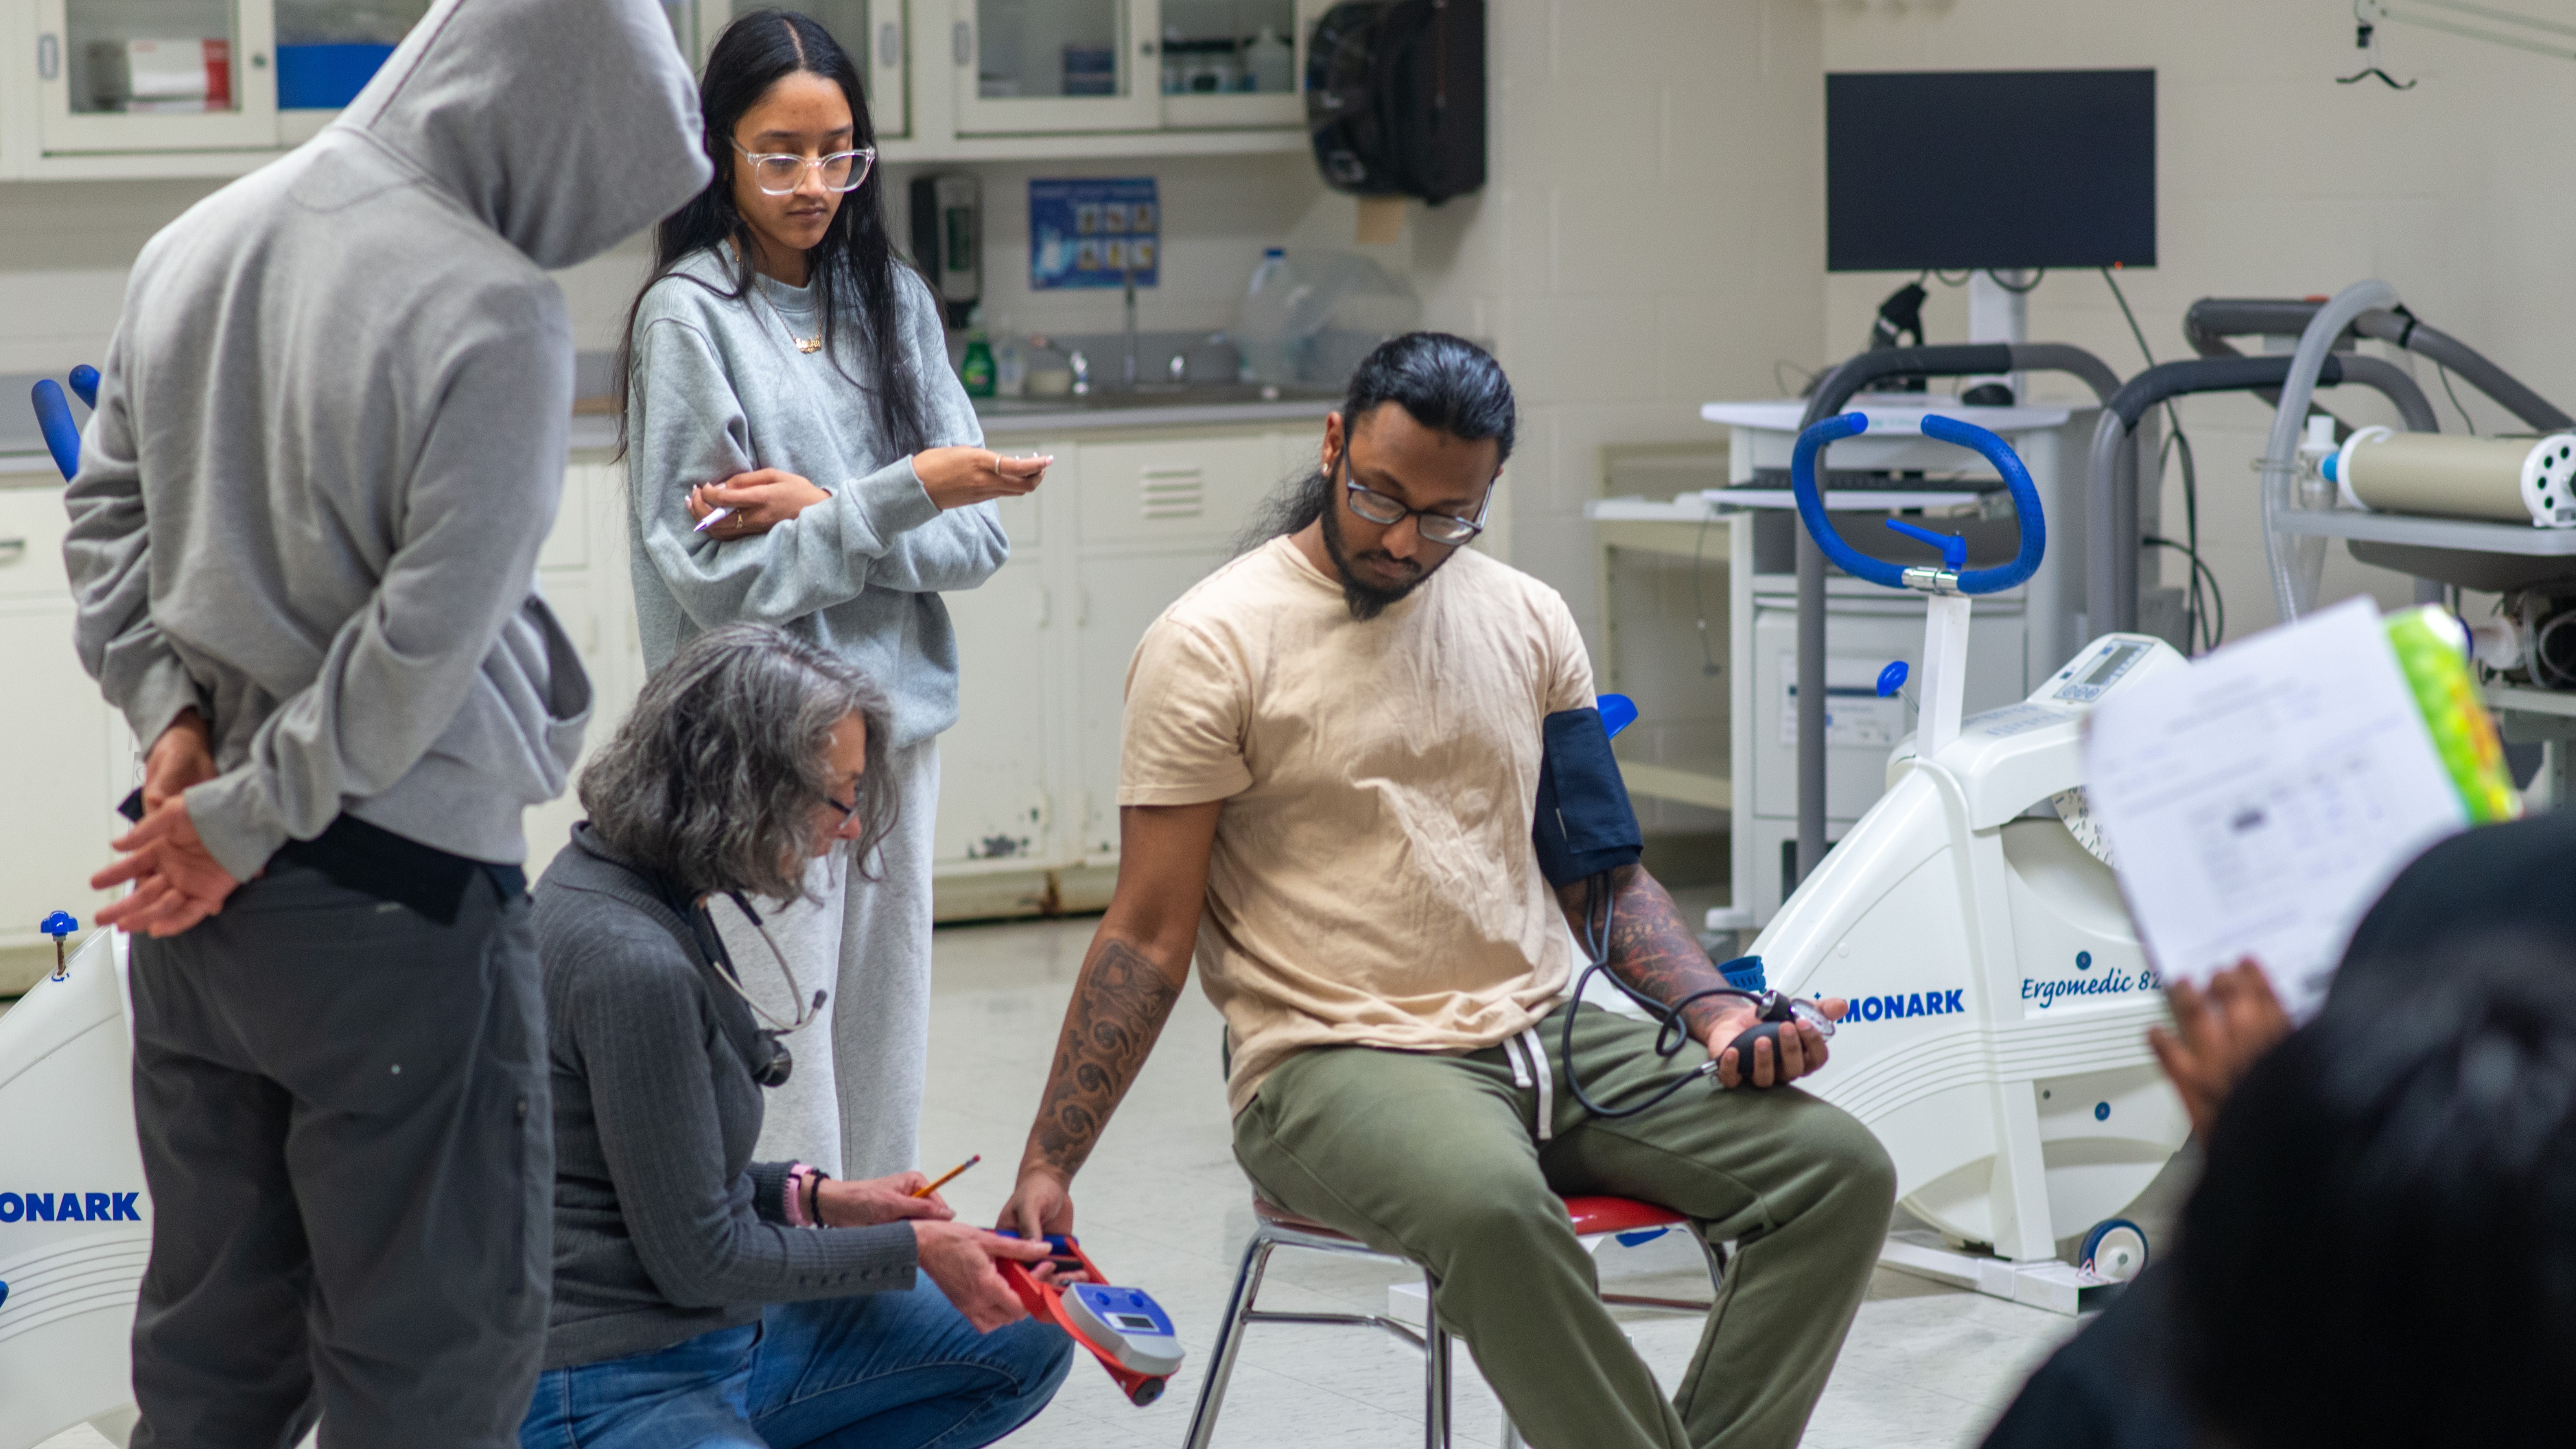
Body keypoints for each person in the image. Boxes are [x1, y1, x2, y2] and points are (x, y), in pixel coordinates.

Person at [998, 332, 1897, 1449]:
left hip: (1542, 1039)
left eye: (1444, 514)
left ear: (1488, 491)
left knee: (1836, 1173)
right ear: (1332, 445)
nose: (1400, 537)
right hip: (1331, 1061)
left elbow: (1602, 875)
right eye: (1377, 495)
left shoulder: (1525, 618)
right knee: (1493, 1208)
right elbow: (1143, 932)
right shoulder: (1211, 641)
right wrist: (1050, 1159)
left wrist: (1713, 1009)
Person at [57, 1, 707, 1444]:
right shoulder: (492, 308)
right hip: (393, 907)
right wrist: (241, 816)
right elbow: (424, 647)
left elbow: (104, 518)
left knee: (214, 1351)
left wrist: (175, 728)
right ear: (556, 119)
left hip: (194, 916)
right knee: (432, 1363)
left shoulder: (198, 241)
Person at [621, 7, 1046, 1182]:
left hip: (896, 732)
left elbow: (979, 540)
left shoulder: (890, 298)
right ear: (718, 150)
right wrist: (893, 497)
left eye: (839, 151)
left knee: (881, 1036)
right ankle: (783, 1300)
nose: (815, 183)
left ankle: (869, 1292)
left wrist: (825, 504)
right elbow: (715, 583)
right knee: (786, 1045)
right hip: (761, 751)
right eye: (779, 153)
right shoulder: (689, 320)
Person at [522, 622, 1072, 1449]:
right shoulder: (629, 961)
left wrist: (816, 1198)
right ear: (743, 784)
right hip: (605, 1378)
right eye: (838, 796)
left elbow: (661, 1170)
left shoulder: (641, 889)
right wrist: (910, 1246)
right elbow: (698, 1256)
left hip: (707, 1333)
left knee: (1021, 1335)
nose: (849, 827)